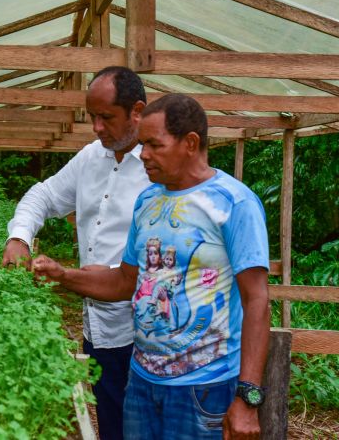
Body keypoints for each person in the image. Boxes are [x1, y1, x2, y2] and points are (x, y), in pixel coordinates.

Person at [33, 93, 270, 440]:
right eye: (142, 144)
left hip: (203, 388)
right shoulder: (148, 200)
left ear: (190, 143)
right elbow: (125, 282)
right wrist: (63, 275)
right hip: (142, 382)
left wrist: (248, 397)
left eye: (154, 145)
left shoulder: (233, 203)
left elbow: (257, 300)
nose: (143, 154)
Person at [2, 66, 152, 440]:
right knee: (112, 426)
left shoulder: (158, 169)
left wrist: (64, 274)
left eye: (107, 117)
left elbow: (138, 272)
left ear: (137, 111)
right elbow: (44, 195)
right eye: (92, 117)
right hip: (97, 331)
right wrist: (19, 237)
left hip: (145, 337)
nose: (97, 128)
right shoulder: (91, 157)